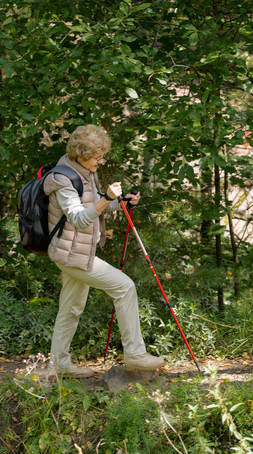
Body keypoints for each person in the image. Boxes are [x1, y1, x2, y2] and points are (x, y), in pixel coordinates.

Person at [44, 124, 165, 377]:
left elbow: (95, 205)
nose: (101, 160)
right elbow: (78, 218)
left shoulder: (85, 171)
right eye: (97, 156)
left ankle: (59, 366)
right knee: (125, 286)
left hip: (77, 252)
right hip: (71, 255)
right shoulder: (63, 179)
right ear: (81, 154)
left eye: (102, 155)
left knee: (70, 308)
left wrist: (120, 203)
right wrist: (106, 199)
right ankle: (134, 354)